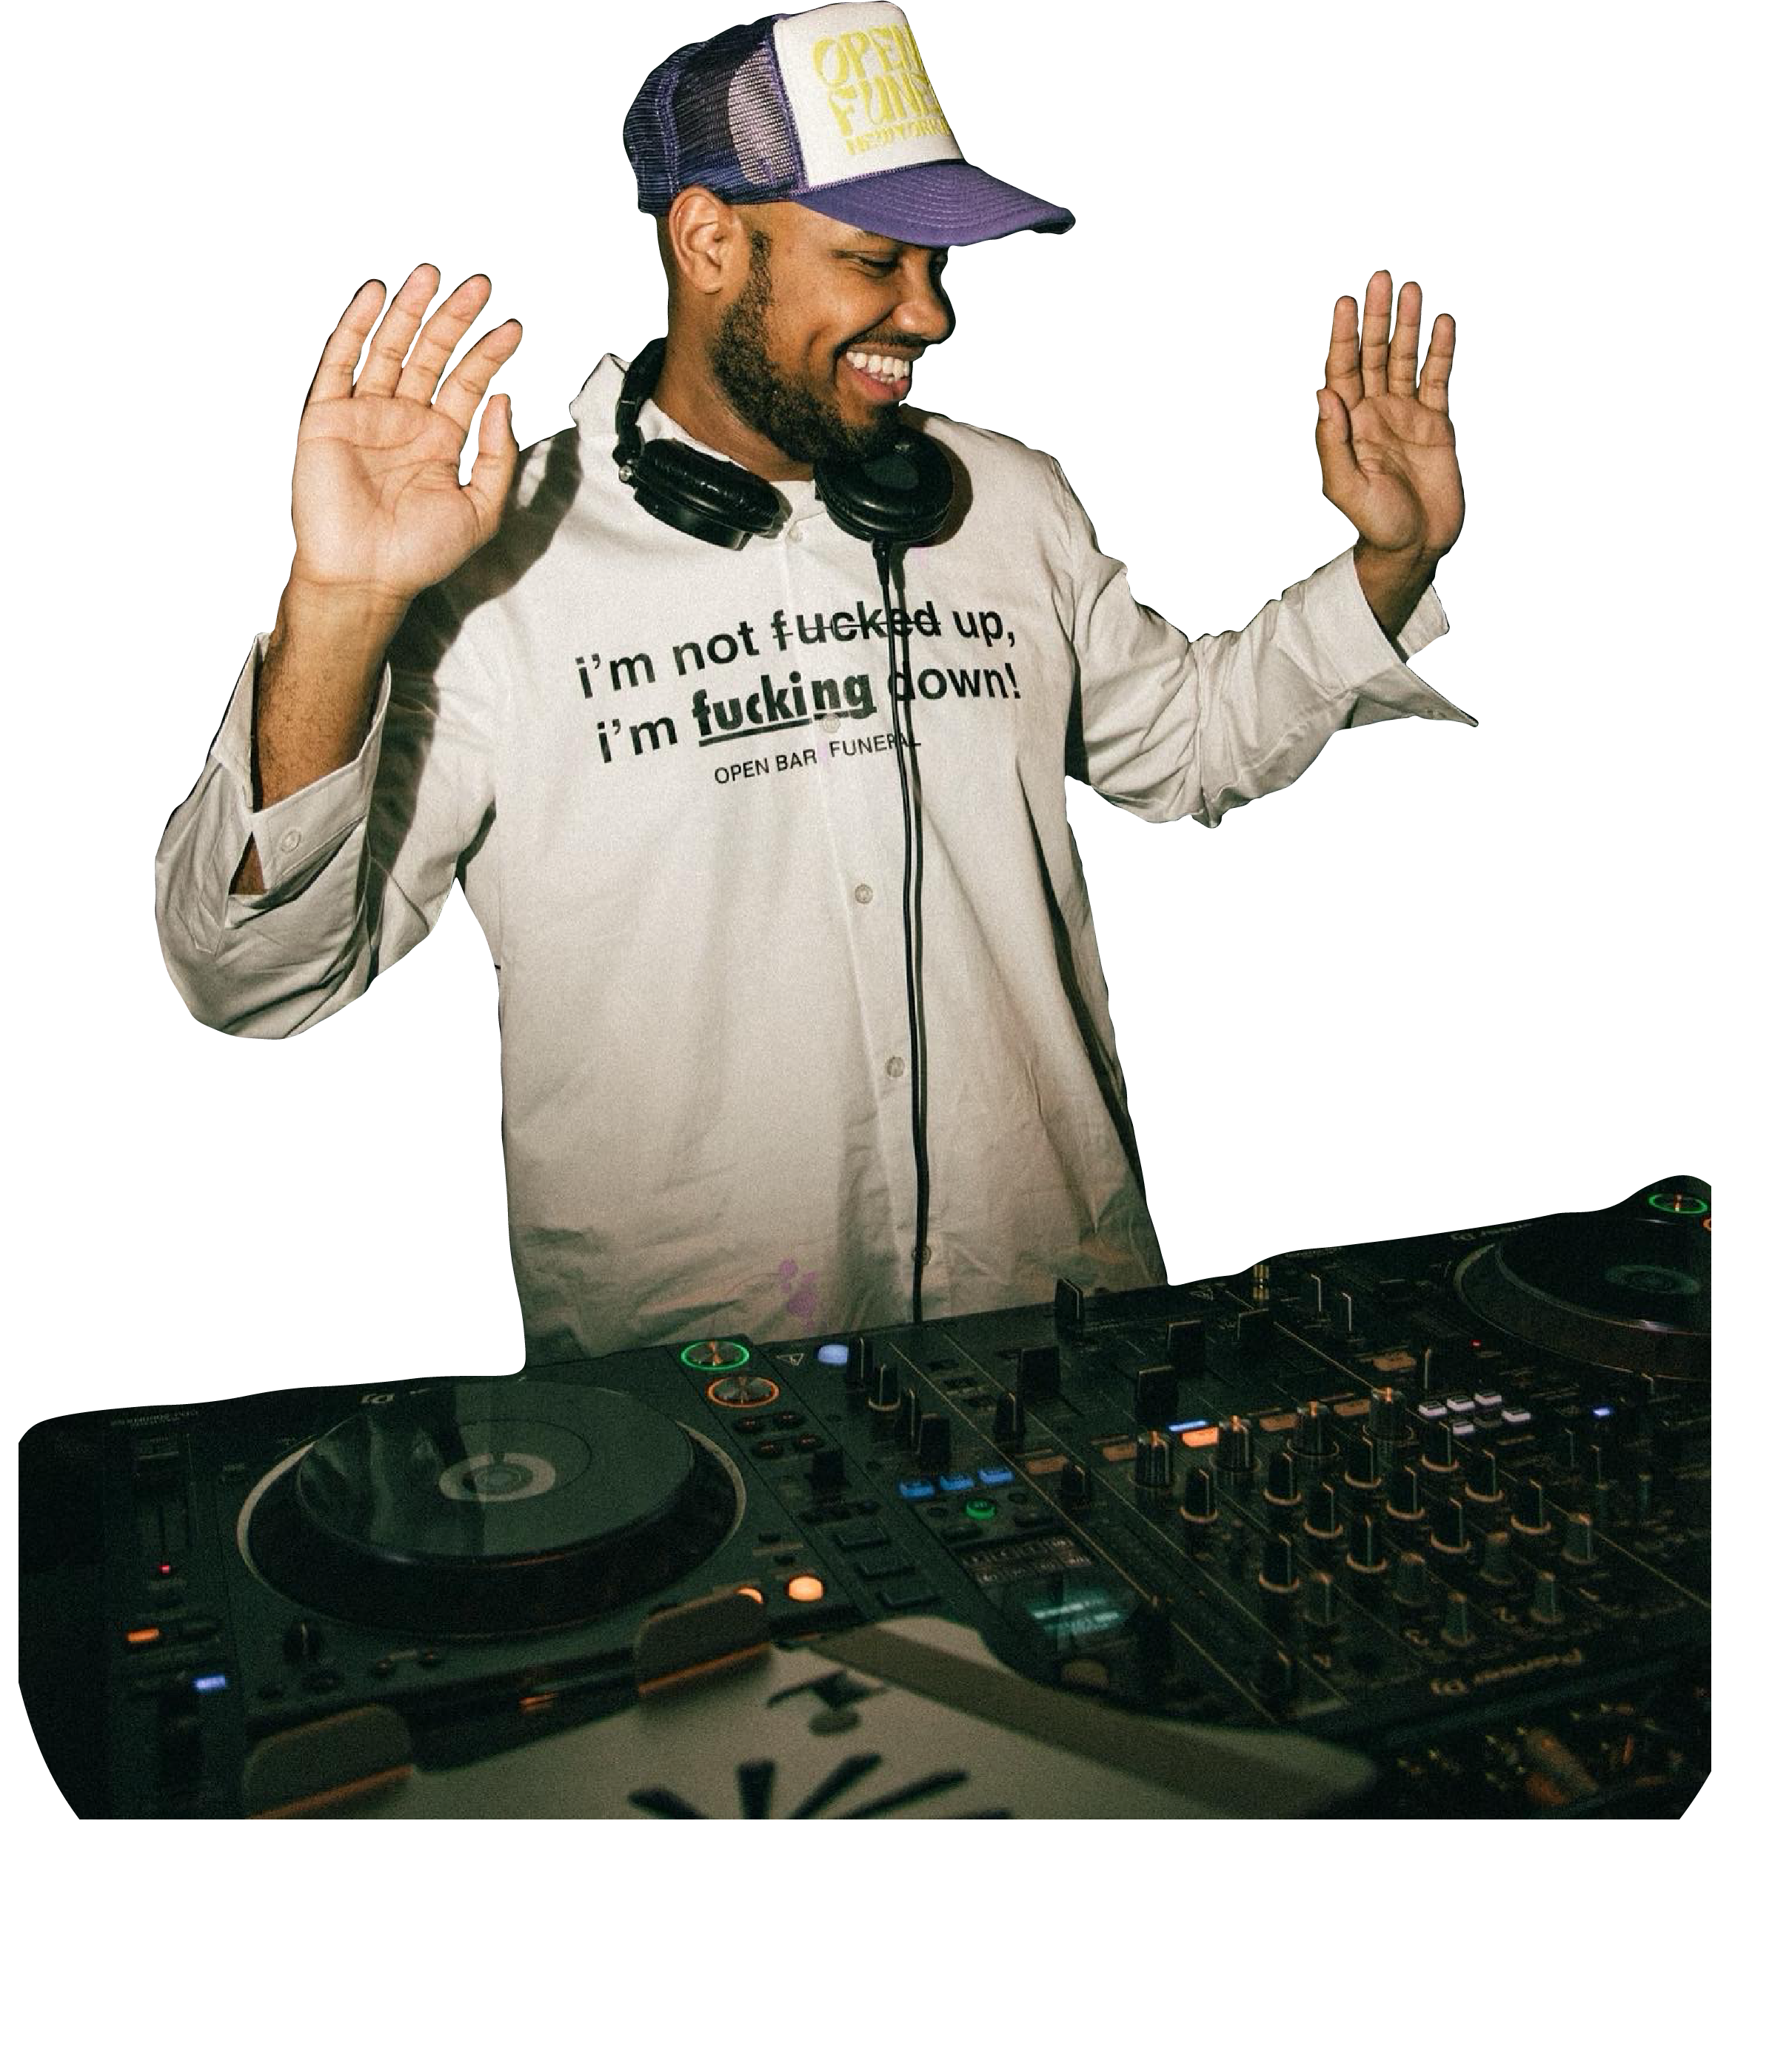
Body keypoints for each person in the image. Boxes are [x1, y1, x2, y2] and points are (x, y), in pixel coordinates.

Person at [153, 4, 1469, 1366]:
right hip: (693, 1395)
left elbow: (1179, 746)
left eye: (934, 265)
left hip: (1059, 1317)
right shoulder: (499, 547)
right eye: (877, 262)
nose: (931, 312)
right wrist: (341, 606)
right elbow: (250, 981)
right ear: (712, 241)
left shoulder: (1006, 503)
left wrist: (1391, 560)